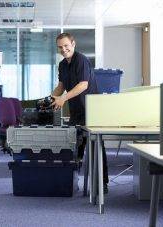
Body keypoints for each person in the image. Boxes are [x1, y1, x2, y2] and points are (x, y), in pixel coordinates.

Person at [51, 32, 109, 192]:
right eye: (60, 47)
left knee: (96, 147)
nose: (63, 49)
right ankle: (72, 182)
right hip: (76, 111)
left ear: (73, 44)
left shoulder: (81, 60)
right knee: (74, 146)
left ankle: (102, 183)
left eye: (66, 46)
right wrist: (52, 97)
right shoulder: (62, 65)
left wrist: (63, 99)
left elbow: (83, 85)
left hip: (91, 111)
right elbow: (61, 86)